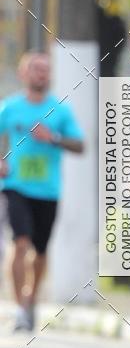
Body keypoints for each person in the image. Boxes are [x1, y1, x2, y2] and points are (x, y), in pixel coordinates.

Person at [0, 51, 84, 332]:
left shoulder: (59, 111)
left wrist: (54, 138)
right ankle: (20, 308)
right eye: (36, 69)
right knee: (20, 241)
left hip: (48, 190)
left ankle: (31, 298)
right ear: (24, 74)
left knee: (40, 251)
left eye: (46, 69)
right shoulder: (10, 108)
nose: (41, 74)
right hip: (15, 185)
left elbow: (81, 146)